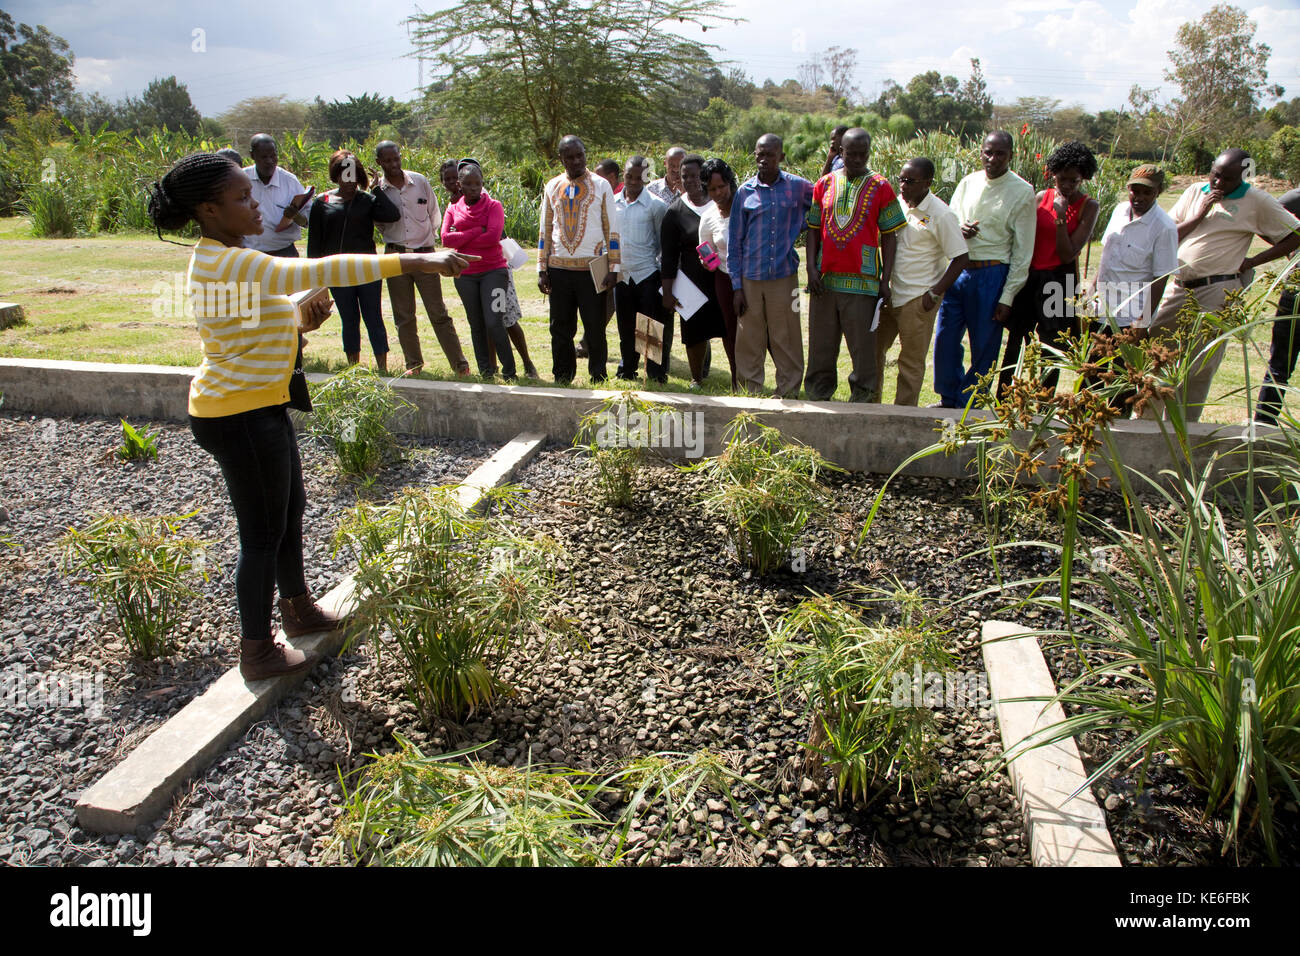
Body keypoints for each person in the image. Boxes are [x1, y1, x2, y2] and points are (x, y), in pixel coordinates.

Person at [145, 152, 472, 680]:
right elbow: (321, 268)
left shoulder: (227, 258)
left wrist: (299, 321)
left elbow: (245, 332)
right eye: (241, 198)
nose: (256, 205)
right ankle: (257, 651)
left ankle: (297, 609)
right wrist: (416, 260)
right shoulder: (231, 260)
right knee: (260, 535)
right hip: (238, 416)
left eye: (252, 194)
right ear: (208, 210)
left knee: (288, 513)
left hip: (258, 406)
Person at [1135, 148, 1300, 421]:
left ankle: (1183, 431)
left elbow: (1294, 234)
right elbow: (1168, 235)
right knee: (1157, 356)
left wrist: (1252, 261)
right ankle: (1143, 426)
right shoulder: (1194, 192)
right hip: (1178, 285)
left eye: (1228, 179)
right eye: (1216, 175)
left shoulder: (1256, 200)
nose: (1219, 183)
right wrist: (1200, 213)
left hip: (1216, 290)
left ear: (1243, 178)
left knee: (1199, 365)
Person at [932, 130, 1036, 408]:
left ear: (1011, 155)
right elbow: (950, 218)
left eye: (1000, 153)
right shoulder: (968, 182)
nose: (992, 159)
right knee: (946, 338)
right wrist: (959, 229)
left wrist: (1008, 296)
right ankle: (948, 396)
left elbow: (1023, 251)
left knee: (985, 344)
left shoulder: (1022, 191)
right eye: (988, 152)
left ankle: (970, 402)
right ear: (981, 152)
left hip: (992, 274)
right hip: (959, 269)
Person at [804, 128, 906, 403]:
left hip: (863, 282)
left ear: (868, 154)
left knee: (863, 348)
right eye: (851, 154)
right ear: (841, 152)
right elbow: (813, 229)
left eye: (863, 154)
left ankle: (863, 401)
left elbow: (890, 235)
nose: (857, 159)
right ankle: (817, 396)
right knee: (821, 346)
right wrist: (811, 269)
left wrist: (885, 280)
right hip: (825, 281)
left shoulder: (881, 187)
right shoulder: (823, 184)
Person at [998, 141, 1100, 397]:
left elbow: (1068, 253)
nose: (1065, 186)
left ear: (1083, 178)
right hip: (1031, 277)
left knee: (1050, 347)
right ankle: (1003, 399)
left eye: (1073, 181)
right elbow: (1023, 238)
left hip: (1059, 280)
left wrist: (1061, 219)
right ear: (1053, 174)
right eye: (1061, 179)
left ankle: (1043, 401)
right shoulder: (1042, 197)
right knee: (1015, 342)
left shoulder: (1089, 207)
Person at [372, 141, 472, 377]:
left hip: (426, 255)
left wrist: (428, 245)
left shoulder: (420, 182)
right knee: (404, 315)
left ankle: (460, 365)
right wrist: (374, 190)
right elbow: (378, 222)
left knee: (438, 312)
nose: (393, 164)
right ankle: (413, 365)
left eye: (396, 158)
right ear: (379, 163)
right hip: (395, 257)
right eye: (387, 161)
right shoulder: (378, 191)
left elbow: (434, 216)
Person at [875, 158, 969, 406]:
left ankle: (903, 415)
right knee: (873, 353)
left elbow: (960, 258)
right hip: (889, 295)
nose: (904, 186)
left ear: (927, 182)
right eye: (901, 180)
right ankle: (870, 407)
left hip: (918, 299)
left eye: (910, 181)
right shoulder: (896, 205)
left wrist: (935, 293)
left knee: (911, 363)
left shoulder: (941, 214)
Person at [1085, 164, 1178, 414]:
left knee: (1119, 388)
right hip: (1101, 310)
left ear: (1158, 192)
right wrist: (1088, 294)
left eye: (1146, 192)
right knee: (1089, 378)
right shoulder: (1119, 211)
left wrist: (1142, 321)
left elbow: (1161, 278)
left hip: (1128, 319)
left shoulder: (1164, 228)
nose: (1139, 197)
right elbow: (1106, 257)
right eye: (1134, 190)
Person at [727, 133, 814, 397]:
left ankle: (788, 392)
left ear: (781, 157)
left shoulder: (797, 187)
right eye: (760, 154)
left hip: (784, 276)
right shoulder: (745, 192)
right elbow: (735, 241)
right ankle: (749, 391)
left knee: (786, 336)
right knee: (749, 338)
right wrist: (737, 287)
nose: (764, 160)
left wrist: (802, 224)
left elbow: (823, 197)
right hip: (750, 278)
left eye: (770, 155)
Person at [440, 159, 538, 378]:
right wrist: (477, 230)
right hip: (466, 274)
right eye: (469, 184)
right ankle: (486, 371)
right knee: (477, 324)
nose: (474, 188)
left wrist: (463, 237)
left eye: (478, 183)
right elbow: (446, 238)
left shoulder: (494, 206)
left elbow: (493, 236)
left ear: (482, 183)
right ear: (460, 185)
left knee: (495, 322)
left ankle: (510, 371)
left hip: (495, 272)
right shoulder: (453, 208)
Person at [306, 150, 401, 372]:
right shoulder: (322, 202)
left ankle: (382, 368)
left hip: (367, 270)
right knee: (349, 319)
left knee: (373, 317)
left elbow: (392, 215)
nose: (350, 181)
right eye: (344, 175)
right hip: (338, 272)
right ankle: (353, 368)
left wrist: (376, 188)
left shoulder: (367, 200)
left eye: (354, 176)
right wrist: (315, 277)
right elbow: (314, 244)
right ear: (336, 176)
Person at [537, 135, 620, 383]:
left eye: (579, 155)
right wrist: (542, 268)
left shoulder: (602, 186)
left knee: (595, 326)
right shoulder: (552, 186)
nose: (576, 161)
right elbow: (544, 230)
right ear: (561, 158)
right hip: (559, 269)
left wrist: (614, 266)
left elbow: (612, 229)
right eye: (569, 157)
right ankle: (562, 375)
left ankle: (598, 374)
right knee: (560, 328)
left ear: (585, 154)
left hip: (591, 269)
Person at [661, 154, 727, 387]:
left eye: (696, 175)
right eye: (684, 176)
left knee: (727, 327)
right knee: (694, 331)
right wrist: (668, 293)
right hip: (691, 282)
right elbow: (668, 257)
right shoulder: (674, 212)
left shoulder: (720, 203)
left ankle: (738, 376)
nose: (691, 180)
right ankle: (696, 378)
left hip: (721, 277)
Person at [613, 155, 670, 381]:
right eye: (629, 176)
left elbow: (661, 244)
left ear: (646, 178)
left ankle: (655, 372)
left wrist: (661, 275)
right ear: (623, 176)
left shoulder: (656, 206)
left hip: (647, 273)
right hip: (623, 275)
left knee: (650, 328)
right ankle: (627, 369)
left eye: (639, 177)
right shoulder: (613, 204)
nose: (634, 181)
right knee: (626, 327)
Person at [1256, 187, 1300, 424]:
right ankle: (1263, 424)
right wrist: (1290, 248)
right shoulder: (1297, 197)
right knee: (1280, 363)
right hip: (1296, 292)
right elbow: (1266, 220)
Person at [699, 157, 740, 389]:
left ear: (730, 184)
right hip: (724, 279)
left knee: (762, 331)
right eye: (712, 188)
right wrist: (707, 262)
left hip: (752, 277)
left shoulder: (745, 207)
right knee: (731, 331)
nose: (718, 192)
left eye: (722, 186)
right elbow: (706, 250)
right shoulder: (708, 217)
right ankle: (738, 380)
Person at [243, 134, 313, 257]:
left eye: (273, 156)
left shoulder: (290, 181)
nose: (269, 161)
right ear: (252, 156)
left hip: (285, 253)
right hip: (251, 254)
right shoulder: (242, 179)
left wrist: (295, 216)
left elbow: (307, 219)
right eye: (264, 157)